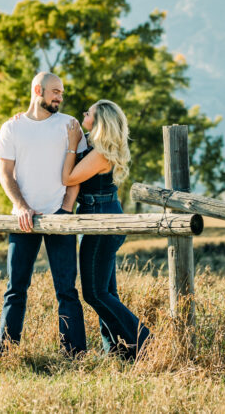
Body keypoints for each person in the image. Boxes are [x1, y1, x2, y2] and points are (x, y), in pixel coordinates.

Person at [0, 71, 87, 355]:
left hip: (60, 218)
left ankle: (73, 354)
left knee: (67, 290)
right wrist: (21, 206)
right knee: (15, 289)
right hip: (24, 220)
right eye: (55, 91)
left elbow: (77, 174)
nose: (60, 97)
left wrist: (66, 209)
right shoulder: (11, 128)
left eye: (61, 92)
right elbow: (5, 174)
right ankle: (6, 353)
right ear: (38, 90)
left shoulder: (70, 125)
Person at [62, 100, 152, 359]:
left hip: (100, 220)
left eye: (88, 113)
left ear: (99, 121)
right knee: (107, 290)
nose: (83, 114)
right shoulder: (96, 147)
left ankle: (146, 343)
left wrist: (71, 143)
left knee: (95, 292)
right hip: (101, 216)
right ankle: (117, 351)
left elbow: (69, 178)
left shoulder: (101, 153)